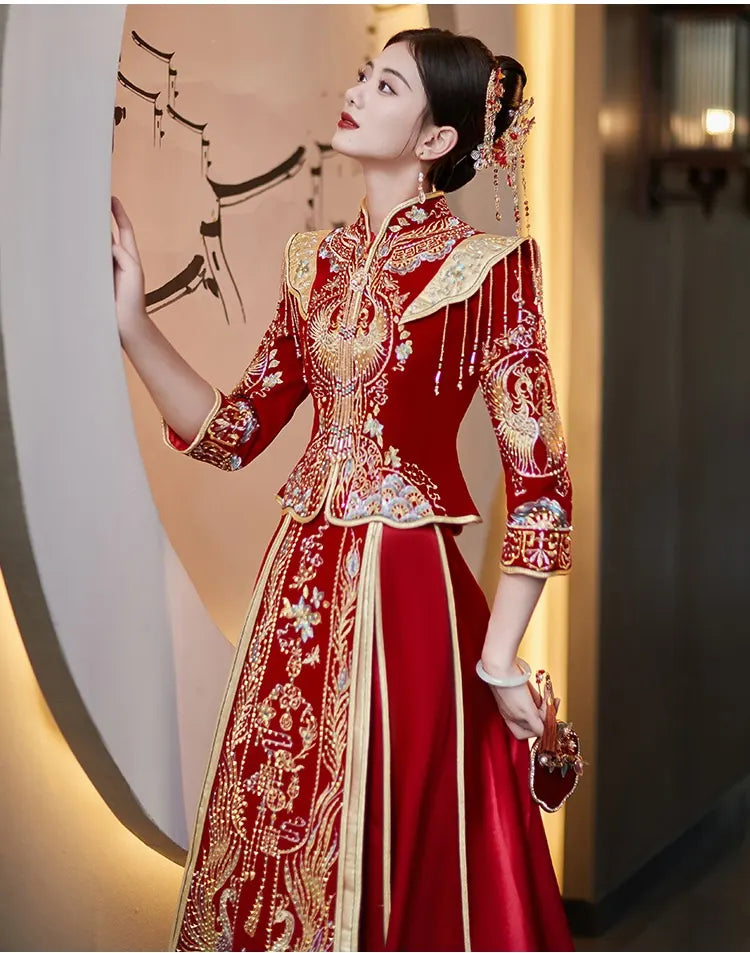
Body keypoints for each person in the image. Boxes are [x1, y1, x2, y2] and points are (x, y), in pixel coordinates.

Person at [112, 26, 574, 953]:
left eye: (388, 84)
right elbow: (236, 429)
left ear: (436, 140)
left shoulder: (491, 272)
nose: (359, 89)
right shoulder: (310, 262)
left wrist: (497, 659)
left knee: (396, 851)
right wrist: (132, 325)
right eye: (367, 73)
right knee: (281, 834)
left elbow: (543, 486)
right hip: (297, 590)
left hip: (408, 599)